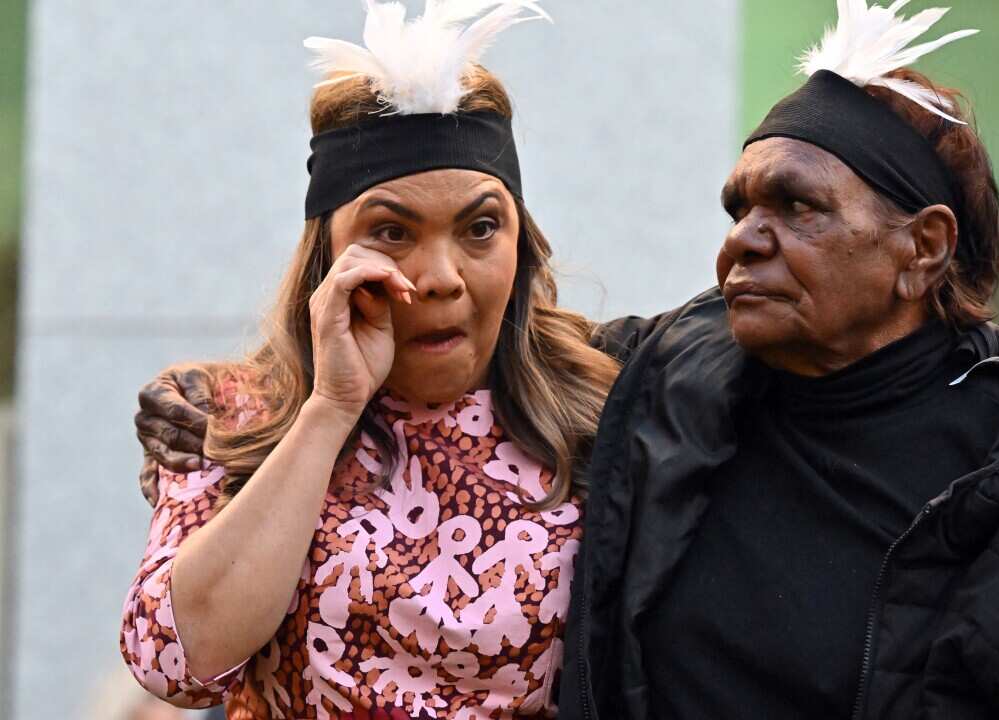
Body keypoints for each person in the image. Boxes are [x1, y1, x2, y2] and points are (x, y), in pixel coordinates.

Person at [135, 2, 999, 718]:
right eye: (738, 205)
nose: (743, 236)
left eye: (477, 228)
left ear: (922, 248)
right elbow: (181, 659)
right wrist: (289, 406)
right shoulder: (663, 390)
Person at [121, 2, 623, 718]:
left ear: (521, 241)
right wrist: (331, 409)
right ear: (328, 253)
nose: (441, 275)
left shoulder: (603, 402)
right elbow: (175, 660)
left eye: (480, 227)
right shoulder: (229, 411)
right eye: (391, 231)